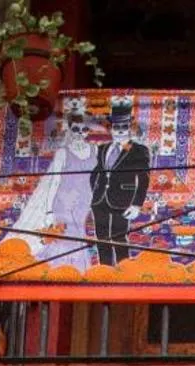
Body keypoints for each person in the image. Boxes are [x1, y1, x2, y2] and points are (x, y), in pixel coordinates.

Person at [9, 98, 96, 271]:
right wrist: (49, 210)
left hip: (83, 203)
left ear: (88, 131)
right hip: (63, 202)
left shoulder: (95, 151)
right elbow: (53, 182)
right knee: (63, 235)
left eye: (84, 129)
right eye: (76, 129)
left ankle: (78, 270)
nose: (80, 133)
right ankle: (58, 271)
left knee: (79, 234)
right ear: (70, 129)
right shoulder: (63, 153)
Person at [90, 99, 151, 266]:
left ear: (130, 128)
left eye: (124, 127)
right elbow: (96, 172)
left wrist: (137, 205)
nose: (120, 131)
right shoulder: (103, 148)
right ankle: (105, 270)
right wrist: (92, 193)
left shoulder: (139, 150)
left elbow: (144, 178)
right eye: (117, 128)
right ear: (112, 128)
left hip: (123, 201)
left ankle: (124, 269)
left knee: (118, 236)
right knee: (102, 237)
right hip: (99, 200)